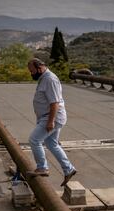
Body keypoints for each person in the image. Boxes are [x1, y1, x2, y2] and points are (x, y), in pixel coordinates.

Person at [26, 58, 77, 187]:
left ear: (40, 68)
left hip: (52, 117)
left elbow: (54, 103)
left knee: (34, 140)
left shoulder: (50, 79)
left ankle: (42, 167)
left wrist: (50, 121)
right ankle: (68, 169)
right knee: (52, 143)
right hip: (48, 117)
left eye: (32, 71)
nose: (32, 74)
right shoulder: (44, 78)